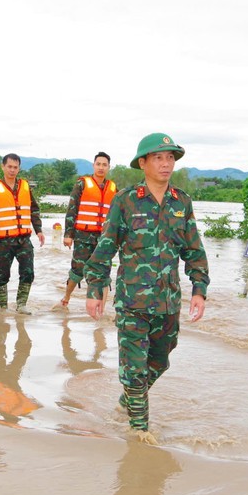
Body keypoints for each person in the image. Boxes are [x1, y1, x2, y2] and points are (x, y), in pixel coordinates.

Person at [84, 133, 209, 445]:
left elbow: (194, 250)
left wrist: (199, 289)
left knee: (160, 361)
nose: (166, 164)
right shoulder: (126, 201)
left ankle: (126, 401)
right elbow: (106, 246)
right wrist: (94, 288)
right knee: (135, 370)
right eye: (158, 157)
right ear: (143, 163)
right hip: (132, 302)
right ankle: (139, 434)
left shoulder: (182, 203)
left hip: (168, 303)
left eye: (170, 158)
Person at [0, 153, 45, 314]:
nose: (12, 170)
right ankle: (3, 307)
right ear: (3, 167)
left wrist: (39, 230)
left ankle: (21, 305)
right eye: (9, 166)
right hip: (3, 240)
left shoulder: (25, 186)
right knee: (3, 274)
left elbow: (33, 210)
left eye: (15, 167)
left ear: (19, 168)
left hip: (24, 239)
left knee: (28, 272)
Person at [60, 151, 117, 307]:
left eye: (104, 165)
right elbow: (72, 210)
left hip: (104, 238)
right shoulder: (82, 184)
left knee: (104, 274)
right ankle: (66, 299)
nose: (101, 167)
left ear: (108, 167)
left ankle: (101, 310)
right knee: (78, 271)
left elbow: (118, 215)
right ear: (93, 166)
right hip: (83, 235)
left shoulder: (113, 188)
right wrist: (68, 235)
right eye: (98, 164)